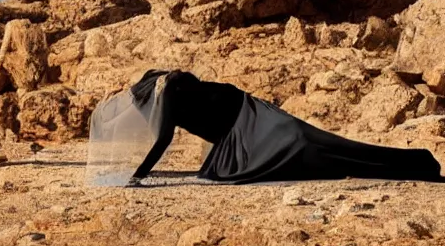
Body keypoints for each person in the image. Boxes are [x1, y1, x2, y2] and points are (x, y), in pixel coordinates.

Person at [126, 69, 444, 186]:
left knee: (329, 152)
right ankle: (418, 162)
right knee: (331, 151)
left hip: (258, 130)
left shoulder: (165, 97)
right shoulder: (176, 85)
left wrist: (139, 174)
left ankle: (417, 163)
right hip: (256, 120)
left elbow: (164, 138)